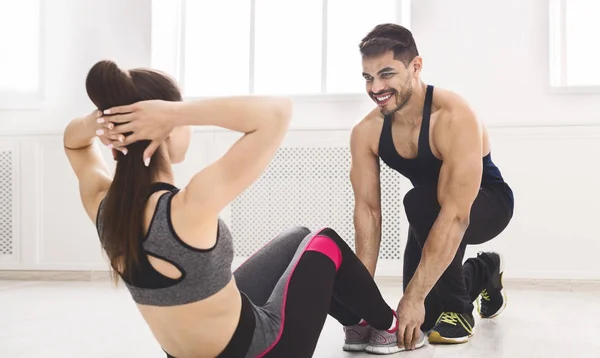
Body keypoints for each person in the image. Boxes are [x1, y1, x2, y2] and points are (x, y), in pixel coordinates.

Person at [63, 60, 426, 357]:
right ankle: (389, 327)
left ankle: (359, 325)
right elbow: (278, 111)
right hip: (265, 351)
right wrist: (174, 111)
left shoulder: (104, 209)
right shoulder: (188, 206)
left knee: (298, 237)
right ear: (166, 129)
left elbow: (74, 144)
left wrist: (100, 122)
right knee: (325, 241)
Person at [345, 23, 515, 347]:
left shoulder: (453, 115)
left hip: (485, 202)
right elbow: (368, 214)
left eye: (386, 74)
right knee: (426, 310)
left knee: (418, 206)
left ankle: (460, 310)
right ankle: (486, 269)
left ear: (416, 66)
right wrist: (361, 299)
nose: (376, 87)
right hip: (431, 211)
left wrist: (412, 297)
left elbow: (455, 215)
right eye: (368, 77)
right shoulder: (366, 132)